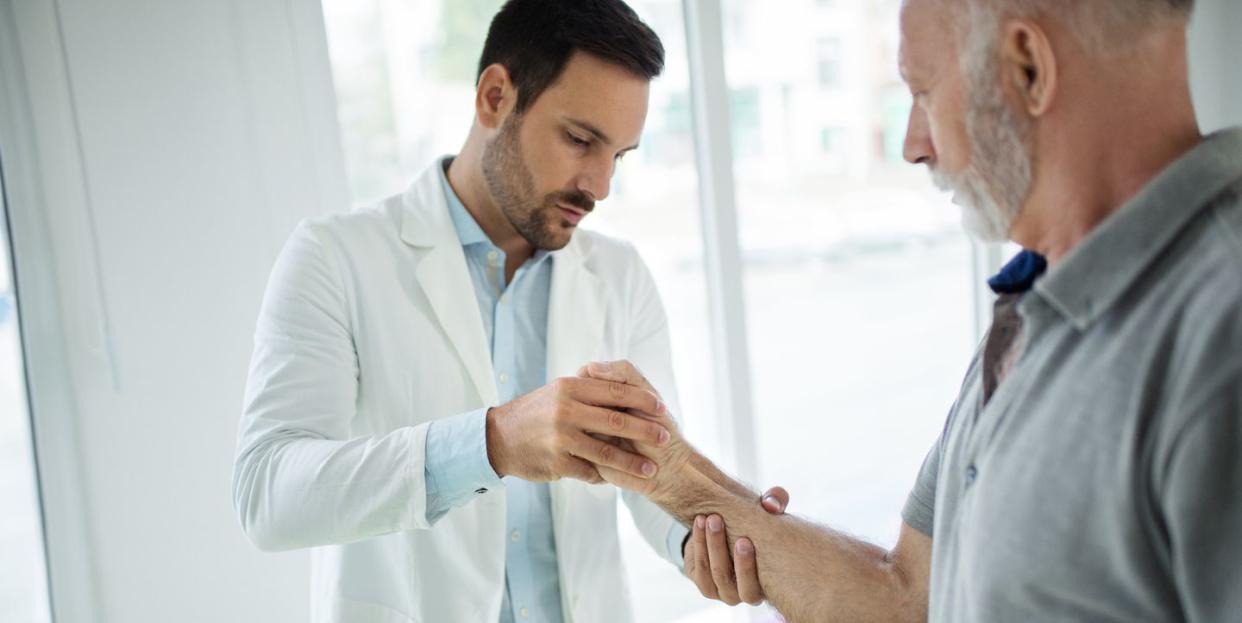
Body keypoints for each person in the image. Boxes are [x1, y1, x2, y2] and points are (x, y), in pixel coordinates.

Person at [582, 0, 1242, 621]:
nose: (912, 144)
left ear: (1028, 69)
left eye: (922, 92)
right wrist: (669, 473)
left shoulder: (1220, 334)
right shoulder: (1033, 308)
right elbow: (909, 595)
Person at [231, 1, 784, 621]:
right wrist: (492, 442)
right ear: (495, 97)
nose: (600, 186)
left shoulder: (620, 276)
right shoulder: (335, 257)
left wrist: (703, 540)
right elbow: (268, 493)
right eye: (580, 140)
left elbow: (646, 472)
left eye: (620, 155)